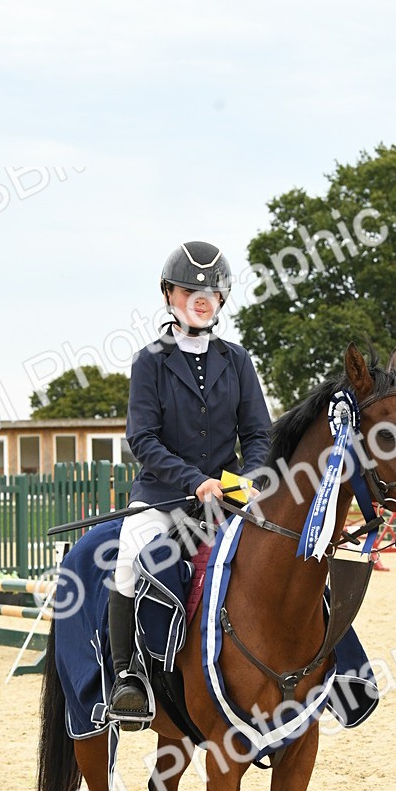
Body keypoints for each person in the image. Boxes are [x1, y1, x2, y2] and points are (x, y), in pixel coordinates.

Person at [107, 240, 272, 726]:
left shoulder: (237, 359)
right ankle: (128, 678)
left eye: (211, 291)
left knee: (289, 557)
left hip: (227, 500)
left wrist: (248, 479)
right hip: (163, 496)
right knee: (127, 563)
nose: (201, 299)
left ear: (222, 300)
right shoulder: (150, 361)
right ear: (168, 296)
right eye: (188, 290)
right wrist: (195, 481)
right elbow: (144, 439)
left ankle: (333, 669)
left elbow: (258, 433)